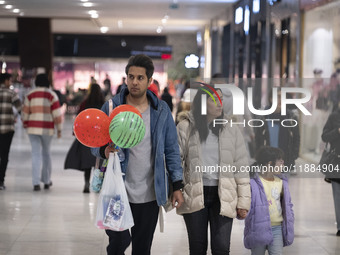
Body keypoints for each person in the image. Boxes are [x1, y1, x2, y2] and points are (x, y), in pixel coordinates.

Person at [92, 54, 184, 255]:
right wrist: (103, 150)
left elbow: (171, 150)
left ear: (150, 81)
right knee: (117, 244)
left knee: (142, 248)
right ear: (126, 78)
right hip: (117, 190)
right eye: (131, 77)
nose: (134, 82)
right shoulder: (111, 108)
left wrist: (177, 185)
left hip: (150, 192)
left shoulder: (161, 110)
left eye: (140, 78)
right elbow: (94, 142)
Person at [176, 86, 251, 254]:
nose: (219, 105)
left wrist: (243, 202)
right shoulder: (185, 127)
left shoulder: (231, 129)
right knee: (197, 248)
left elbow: (241, 167)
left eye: (221, 101)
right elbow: (176, 161)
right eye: (214, 100)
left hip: (224, 194)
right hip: (195, 192)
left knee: (222, 248)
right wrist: (176, 189)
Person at [244, 146, 294, 254]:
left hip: (277, 229)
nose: (283, 165)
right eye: (280, 162)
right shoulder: (253, 183)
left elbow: (288, 204)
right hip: (258, 229)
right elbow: (247, 204)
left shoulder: (282, 182)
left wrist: (290, 219)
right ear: (270, 164)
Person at [22, 73, 62, 191]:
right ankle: (46, 180)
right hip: (47, 128)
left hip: (33, 128)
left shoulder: (30, 95)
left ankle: (35, 183)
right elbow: (57, 115)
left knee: (35, 154)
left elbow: (24, 113)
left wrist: (25, 124)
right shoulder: (51, 95)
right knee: (46, 154)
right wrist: (59, 129)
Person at [64, 83, 105, 193]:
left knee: (87, 162)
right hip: (100, 138)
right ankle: (98, 184)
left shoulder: (85, 103)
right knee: (100, 163)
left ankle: (86, 184)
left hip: (86, 137)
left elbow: (79, 118)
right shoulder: (103, 104)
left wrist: (75, 132)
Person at [255, 90, 300, 171]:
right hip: (267, 161)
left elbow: (296, 138)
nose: (281, 100)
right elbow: (258, 139)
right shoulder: (263, 117)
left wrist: (293, 156)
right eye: (278, 97)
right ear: (271, 99)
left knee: (283, 183)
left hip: (285, 162)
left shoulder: (291, 118)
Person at [0, 73, 22, 190]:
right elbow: (20, 109)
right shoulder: (11, 93)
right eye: (10, 80)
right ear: (6, 81)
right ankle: (1, 181)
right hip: (8, 129)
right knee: (4, 155)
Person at [321, 104, 340, 236]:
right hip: (335, 161)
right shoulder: (334, 117)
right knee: (337, 196)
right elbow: (324, 136)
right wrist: (337, 131)